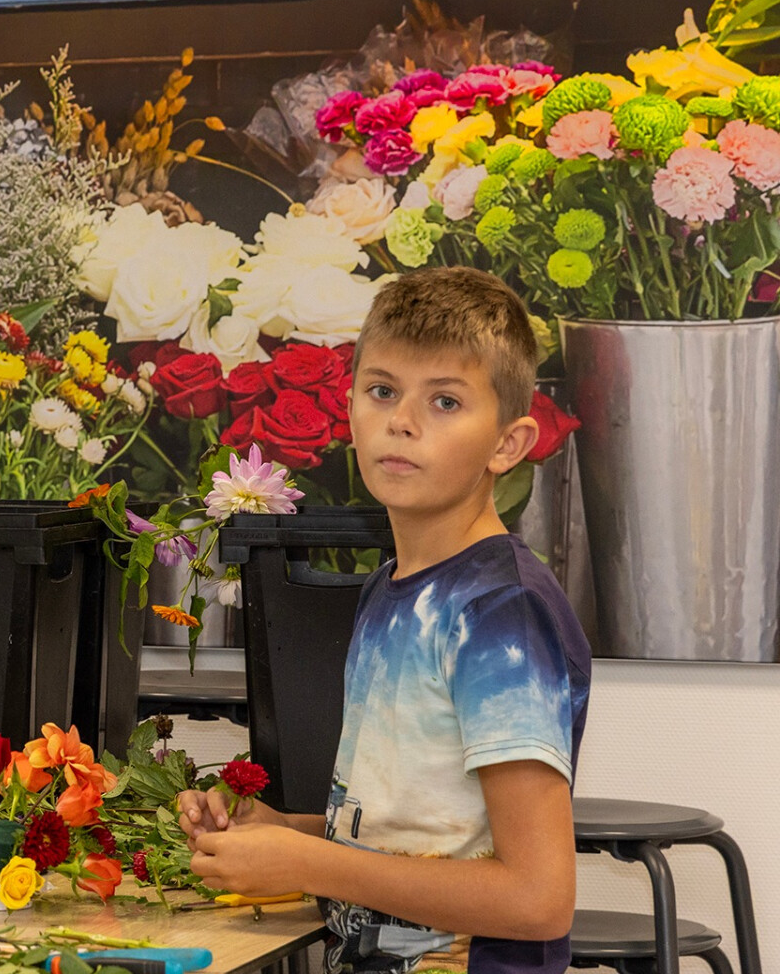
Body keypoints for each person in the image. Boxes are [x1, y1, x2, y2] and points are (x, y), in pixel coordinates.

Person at [178, 267, 589, 974]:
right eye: (382, 391)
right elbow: (414, 833)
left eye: (447, 401)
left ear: (508, 445)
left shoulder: (501, 613)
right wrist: (280, 832)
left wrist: (308, 862)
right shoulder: (388, 590)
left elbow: (537, 898)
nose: (402, 420)